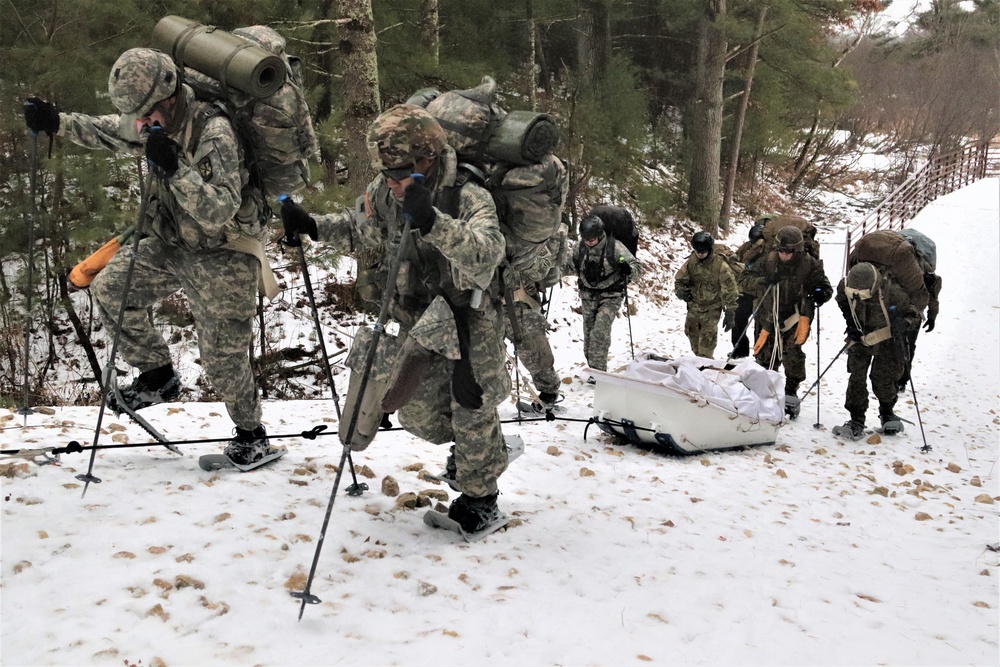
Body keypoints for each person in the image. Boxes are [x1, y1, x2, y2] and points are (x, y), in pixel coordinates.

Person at [23, 48, 271, 466]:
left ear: (170, 95)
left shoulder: (214, 131)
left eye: (146, 112)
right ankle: (158, 376)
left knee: (222, 358)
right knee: (111, 289)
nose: (140, 122)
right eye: (135, 114)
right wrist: (58, 123)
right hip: (171, 241)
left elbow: (219, 210)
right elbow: (109, 130)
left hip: (222, 253)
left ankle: (252, 434)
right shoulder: (151, 119)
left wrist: (176, 169)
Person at [279, 104, 511, 534]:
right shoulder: (385, 191)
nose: (392, 180)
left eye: (401, 170)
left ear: (429, 158)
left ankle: (482, 496)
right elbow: (359, 226)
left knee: (472, 405)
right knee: (418, 414)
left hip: (467, 314)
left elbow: (486, 252)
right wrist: (312, 224)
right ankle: (478, 450)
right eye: (386, 171)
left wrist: (432, 221)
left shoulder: (466, 193)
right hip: (416, 317)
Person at [746, 226, 833, 418]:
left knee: (792, 354)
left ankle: (791, 391)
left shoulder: (810, 265)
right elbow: (743, 280)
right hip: (767, 315)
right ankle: (765, 391)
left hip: (796, 317)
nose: (784, 255)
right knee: (764, 356)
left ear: (798, 250)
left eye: (789, 252)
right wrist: (765, 280)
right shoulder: (767, 261)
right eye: (781, 250)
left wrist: (820, 294)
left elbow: (826, 288)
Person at [833, 262, 921, 439]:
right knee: (856, 377)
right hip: (860, 335)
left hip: (888, 339)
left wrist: (903, 323)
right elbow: (842, 300)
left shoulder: (893, 292)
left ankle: (887, 413)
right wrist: (850, 322)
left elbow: (914, 315)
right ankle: (856, 419)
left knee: (883, 378)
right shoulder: (845, 286)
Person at [566, 215, 642, 383]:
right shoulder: (579, 247)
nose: (589, 242)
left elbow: (637, 267)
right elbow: (569, 265)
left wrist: (627, 269)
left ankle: (599, 374)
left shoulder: (614, 247)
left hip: (611, 295)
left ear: (600, 235)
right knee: (589, 333)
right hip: (588, 295)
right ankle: (593, 366)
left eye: (592, 239)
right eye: (586, 239)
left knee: (600, 330)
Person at [673, 231, 739, 359]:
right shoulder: (692, 261)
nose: (700, 254)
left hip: (712, 308)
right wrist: (681, 292)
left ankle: (705, 367)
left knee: (706, 343)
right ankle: (699, 362)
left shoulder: (720, 265)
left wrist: (730, 312)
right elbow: (680, 281)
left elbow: (730, 290)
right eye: (697, 251)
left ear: (709, 249)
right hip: (694, 306)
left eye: (703, 252)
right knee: (692, 337)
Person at [504, 280, 562, 410]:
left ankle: (548, 393)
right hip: (482, 305)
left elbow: (550, 275)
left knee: (535, 355)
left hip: (521, 305)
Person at [897, 269, 942, 392]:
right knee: (908, 346)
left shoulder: (904, 266)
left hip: (899, 312)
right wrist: (932, 316)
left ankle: (896, 379)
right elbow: (932, 298)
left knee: (899, 344)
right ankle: (901, 380)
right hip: (915, 314)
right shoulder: (931, 278)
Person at [731, 222, 765, 357]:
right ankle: (740, 350)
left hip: (760, 293)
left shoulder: (767, 251)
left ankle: (760, 353)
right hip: (744, 290)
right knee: (738, 321)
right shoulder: (747, 247)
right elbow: (736, 258)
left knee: (761, 325)